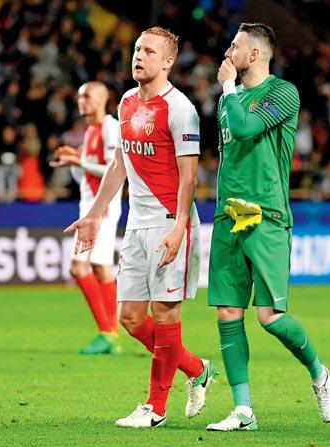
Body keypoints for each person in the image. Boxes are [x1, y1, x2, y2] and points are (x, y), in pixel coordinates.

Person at [65, 27, 217, 428]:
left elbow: (189, 177)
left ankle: (155, 408)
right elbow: (120, 164)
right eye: (136, 49)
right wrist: (96, 215)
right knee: (131, 318)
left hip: (169, 224)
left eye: (149, 51)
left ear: (167, 61)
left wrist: (180, 227)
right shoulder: (128, 103)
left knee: (166, 317)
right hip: (135, 225)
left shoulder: (181, 108)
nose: (139, 56)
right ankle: (196, 368)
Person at [206, 23, 330, 432]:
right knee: (228, 312)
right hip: (228, 214)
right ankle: (243, 410)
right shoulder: (228, 101)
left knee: (269, 317)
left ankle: (319, 372)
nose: (228, 53)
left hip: (266, 215)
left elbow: (245, 129)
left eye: (235, 46)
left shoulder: (282, 93)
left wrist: (228, 90)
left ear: (256, 55)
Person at [50, 82, 122, 355]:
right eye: (79, 96)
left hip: (100, 210)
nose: (82, 101)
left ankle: (106, 331)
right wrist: (74, 162)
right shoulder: (90, 131)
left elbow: (113, 168)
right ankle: (111, 334)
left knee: (78, 267)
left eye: (88, 96)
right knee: (102, 270)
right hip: (90, 207)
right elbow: (86, 176)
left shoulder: (109, 127)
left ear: (103, 99)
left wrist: (80, 161)